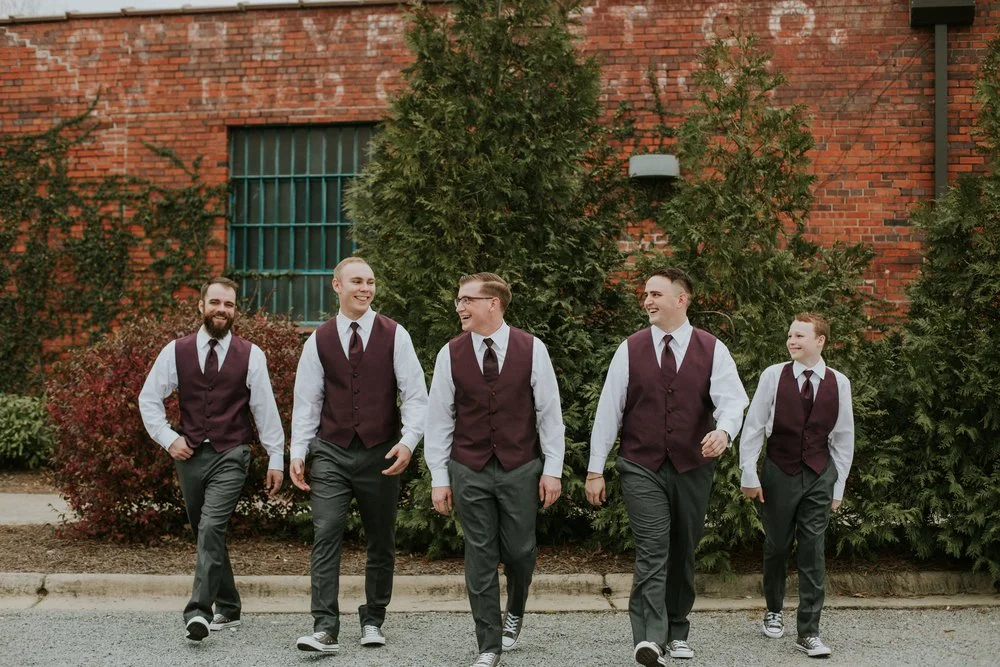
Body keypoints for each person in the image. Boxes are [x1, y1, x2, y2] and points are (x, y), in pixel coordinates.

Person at [586, 268, 748, 666]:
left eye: (656, 294)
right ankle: (648, 638)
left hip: (693, 465)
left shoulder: (713, 348)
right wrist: (595, 469)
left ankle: (677, 629)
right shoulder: (630, 348)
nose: (647, 301)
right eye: (645, 294)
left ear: (682, 299)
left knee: (683, 550)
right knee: (653, 550)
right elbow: (609, 411)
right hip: (640, 464)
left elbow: (733, 400)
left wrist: (724, 432)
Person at [424, 272, 565, 667]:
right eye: (458, 300)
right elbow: (439, 420)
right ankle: (488, 643)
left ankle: (515, 608)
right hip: (468, 468)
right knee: (480, 553)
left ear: (493, 304)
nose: (460, 307)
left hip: (520, 467)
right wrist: (439, 477)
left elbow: (549, 415)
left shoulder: (532, 349)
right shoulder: (449, 354)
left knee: (520, 552)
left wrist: (552, 469)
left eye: (467, 300)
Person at [289, 257, 428, 654]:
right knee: (326, 530)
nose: (365, 288)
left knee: (381, 538)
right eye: (356, 281)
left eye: (370, 282)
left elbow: (416, 396)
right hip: (331, 451)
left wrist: (408, 441)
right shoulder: (319, 339)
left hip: (380, 453)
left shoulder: (395, 334)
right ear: (337, 286)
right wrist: (299, 450)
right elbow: (307, 401)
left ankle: (373, 619)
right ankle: (324, 627)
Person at [138, 276, 285, 642]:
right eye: (216, 302)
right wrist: (169, 439)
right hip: (189, 456)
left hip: (232, 453)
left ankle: (199, 612)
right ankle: (230, 607)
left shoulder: (251, 355)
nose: (222, 309)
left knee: (211, 528)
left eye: (229, 304)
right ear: (201, 306)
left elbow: (265, 409)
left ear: (236, 311)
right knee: (207, 534)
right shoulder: (176, 351)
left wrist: (276, 458)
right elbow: (148, 399)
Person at [739, 312, 854, 658]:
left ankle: (809, 631)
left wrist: (838, 487)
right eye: (790, 335)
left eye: (800, 336)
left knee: (812, 551)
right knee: (776, 546)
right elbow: (754, 427)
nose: (792, 341)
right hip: (779, 471)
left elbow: (844, 438)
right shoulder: (773, 376)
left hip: (820, 475)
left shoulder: (839, 382)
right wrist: (749, 473)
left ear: (820, 341)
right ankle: (773, 609)